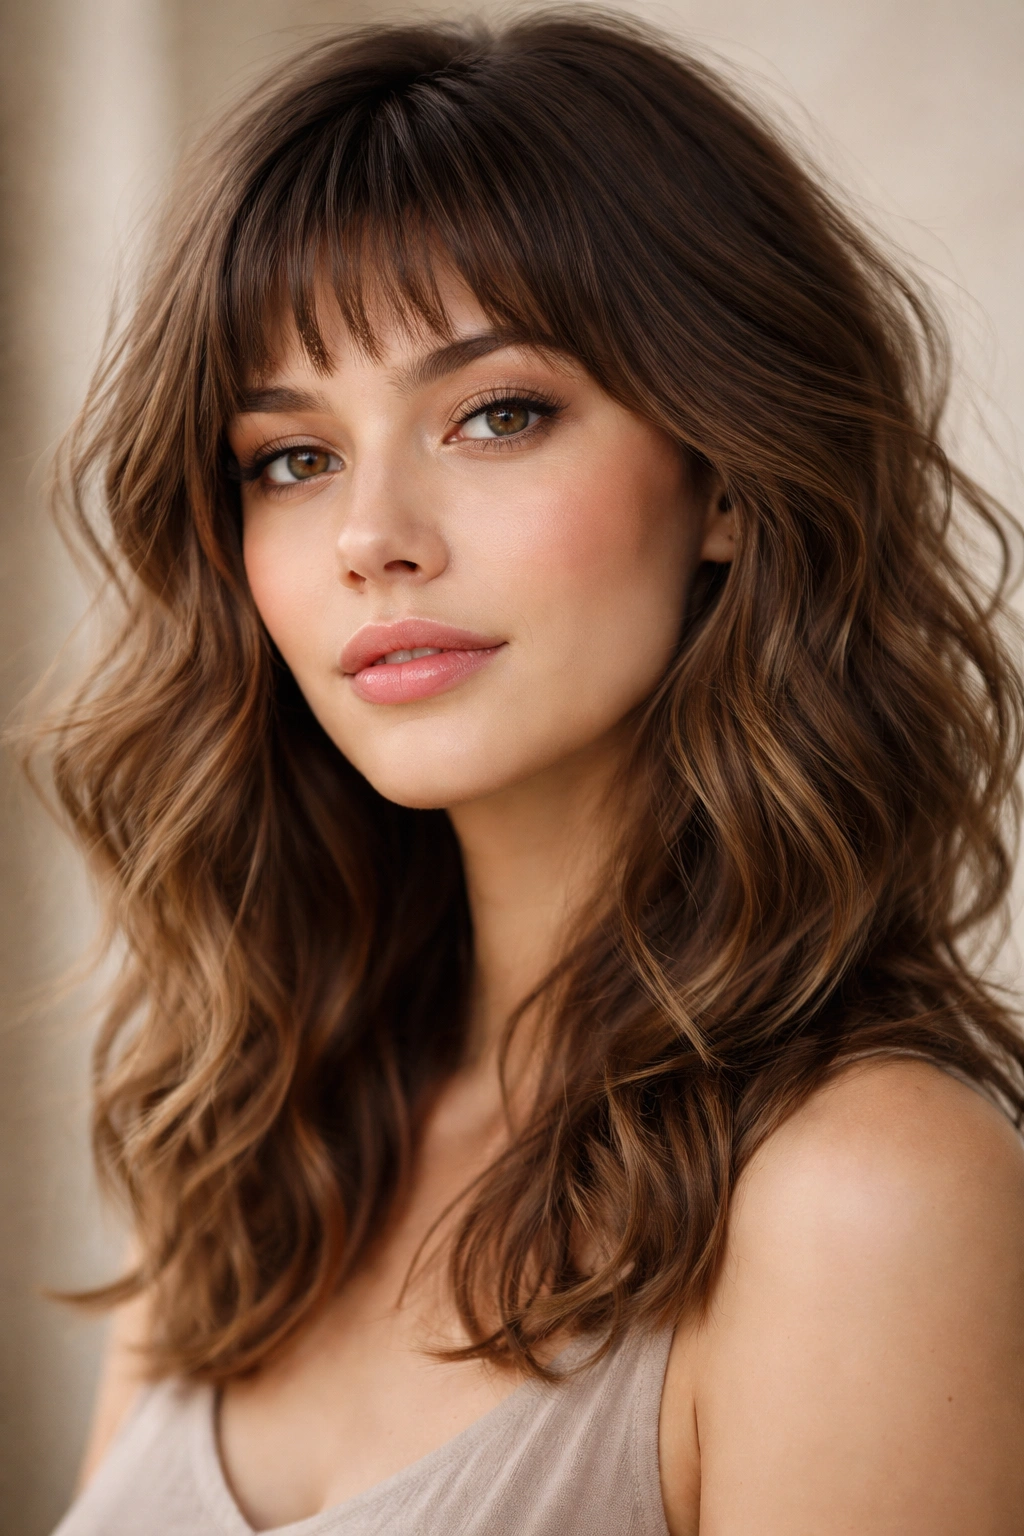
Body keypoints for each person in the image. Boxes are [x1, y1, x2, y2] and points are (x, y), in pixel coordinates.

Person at [42, 11, 1024, 1535]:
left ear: (727, 479)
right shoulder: (256, 1142)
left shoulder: (869, 1196)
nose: (374, 533)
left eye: (498, 413)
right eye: (289, 458)